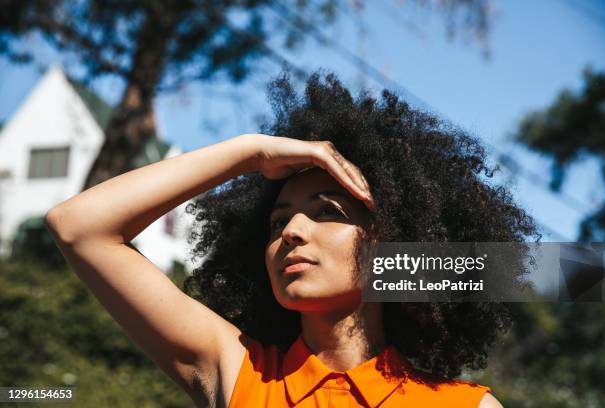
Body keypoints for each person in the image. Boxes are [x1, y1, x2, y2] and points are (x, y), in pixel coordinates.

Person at [46, 71, 536, 407]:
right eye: (277, 223)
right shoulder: (242, 375)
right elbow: (79, 226)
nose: (292, 232)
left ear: (392, 244)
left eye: (326, 212)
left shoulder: (461, 405)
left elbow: (573, 272)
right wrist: (253, 151)